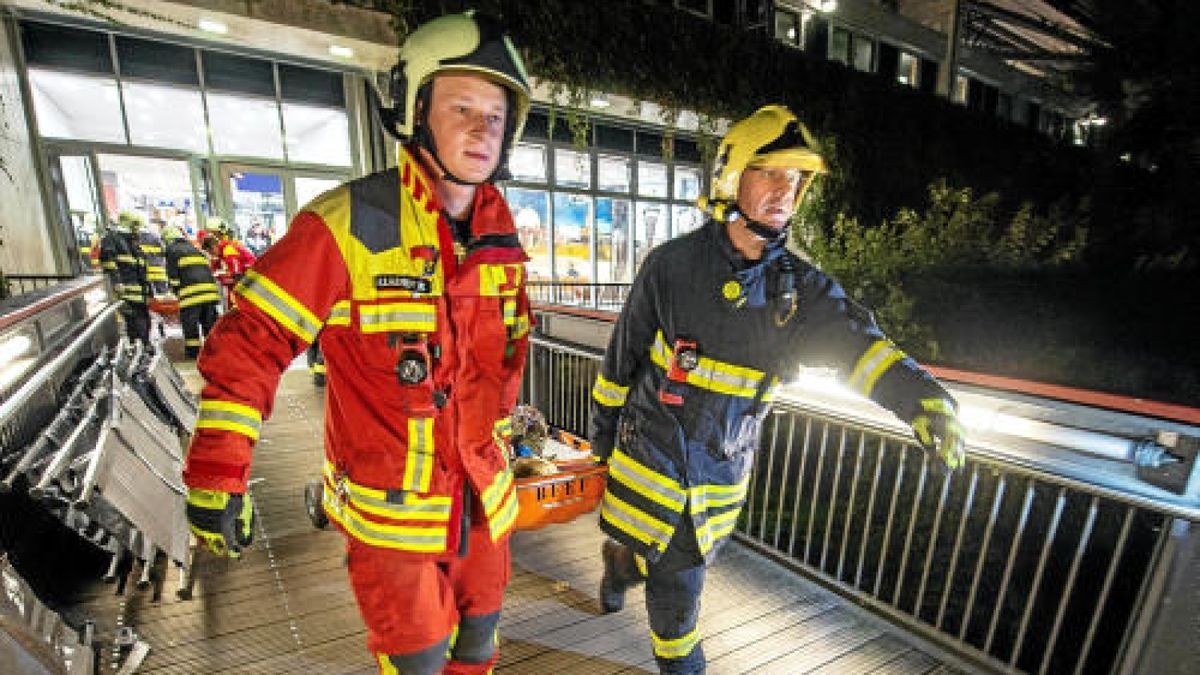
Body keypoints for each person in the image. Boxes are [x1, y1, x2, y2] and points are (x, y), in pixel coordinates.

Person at [181, 11, 533, 674]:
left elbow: (507, 358)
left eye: (496, 113)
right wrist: (219, 469)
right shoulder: (345, 226)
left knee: (479, 645)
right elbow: (251, 341)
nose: (482, 127)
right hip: (391, 526)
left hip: (483, 508)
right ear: (413, 107)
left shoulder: (502, 239)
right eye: (462, 106)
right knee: (421, 658)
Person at [588, 104, 967, 675]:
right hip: (650, 455)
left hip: (716, 473)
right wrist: (601, 439)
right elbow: (623, 359)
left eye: (795, 179)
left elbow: (859, 348)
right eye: (769, 173)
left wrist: (925, 402)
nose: (784, 190)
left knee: (670, 572)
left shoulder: (803, 293)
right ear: (731, 178)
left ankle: (635, 586)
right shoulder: (670, 266)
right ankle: (652, 616)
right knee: (657, 576)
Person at [161, 224, 221, 358]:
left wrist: (176, 292)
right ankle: (214, 352)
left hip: (191, 295)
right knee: (209, 324)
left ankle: (194, 353)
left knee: (190, 325)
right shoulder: (195, 249)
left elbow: (173, 275)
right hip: (210, 293)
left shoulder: (172, 249)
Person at [98, 211, 156, 344]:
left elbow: (142, 270)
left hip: (139, 294)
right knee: (134, 324)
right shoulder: (112, 239)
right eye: (135, 226)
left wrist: (149, 291)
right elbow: (108, 261)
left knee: (144, 322)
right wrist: (117, 282)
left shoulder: (133, 244)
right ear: (128, 225)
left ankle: (144, 347)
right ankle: (139, 348)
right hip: (126, 293)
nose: (138, 231)